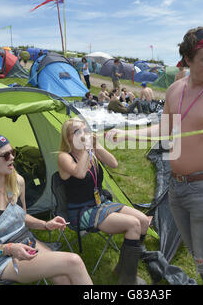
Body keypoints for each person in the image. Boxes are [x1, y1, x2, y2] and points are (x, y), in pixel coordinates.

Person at [106, 26, 203, 285]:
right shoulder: (175, 90)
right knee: (197, 256)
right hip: (176, 187)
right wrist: (127, 134)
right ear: (188, 59)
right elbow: (166, 129)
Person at [0, 133, 92, 285]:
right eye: (5, 155)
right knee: (73, 261)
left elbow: (21, 216)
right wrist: (9, 248)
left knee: (64, 278)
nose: (12, 158)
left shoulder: (17, 181)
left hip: (25, 243)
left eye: (13, 152)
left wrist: (45, 224)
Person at [57, 117, 150, 284]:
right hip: (82, 211)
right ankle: (128, 279)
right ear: (68, 137)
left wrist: (96, 146)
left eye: (85, 129)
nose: (83, 134)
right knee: (133, 224)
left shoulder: (91, 152)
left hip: (100, 203)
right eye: (77, 131)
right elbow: (80, 174)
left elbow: (113, 163)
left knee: (143, 221)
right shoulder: (64, 157)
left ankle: (122, 268)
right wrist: (86, 149)